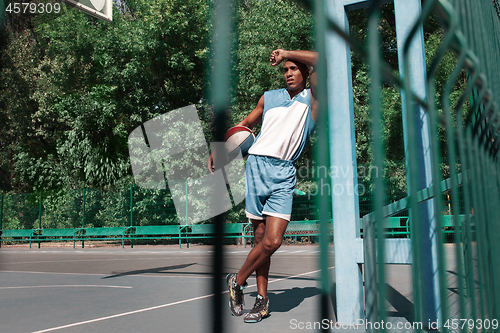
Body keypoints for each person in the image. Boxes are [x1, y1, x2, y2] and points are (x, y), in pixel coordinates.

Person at [208, 49, 318, 323]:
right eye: (285, 69)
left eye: (294, 68)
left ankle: (236, 280)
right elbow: (244, 125)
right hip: (256, 167)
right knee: (259, 240)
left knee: (273, 241)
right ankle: (261, 301)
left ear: (306, 72)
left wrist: (286, 54)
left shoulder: (314, 99)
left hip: (284, 171)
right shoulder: (268, 98)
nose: (289, 73)